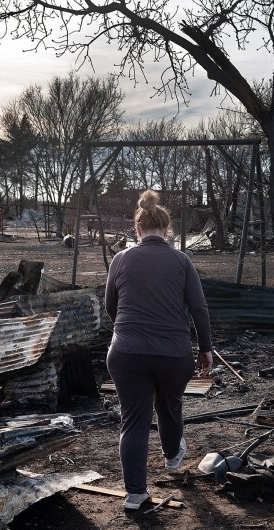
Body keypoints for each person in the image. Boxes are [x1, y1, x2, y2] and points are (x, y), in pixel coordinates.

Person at [105, 190, 213, 510]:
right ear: (165, 230)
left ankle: (136, 495)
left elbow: (112, 306)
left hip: (126, 354)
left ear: (138, 230)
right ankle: (171, 454)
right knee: (169, 405)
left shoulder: (121, 259)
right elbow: (199, 309)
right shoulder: (181, 260)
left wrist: (127, 335)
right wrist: (205, 348)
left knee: (134, 421)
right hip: (173, 354)